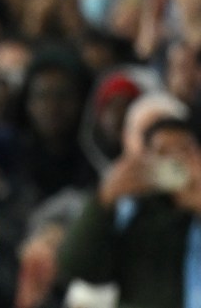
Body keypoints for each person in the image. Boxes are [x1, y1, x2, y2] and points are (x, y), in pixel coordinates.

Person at [57, 116, 201, 308]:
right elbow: (78, 265)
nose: (174, 161)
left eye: (183, 151)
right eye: (162, 152)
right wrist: (104, 200)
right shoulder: (132, 213)